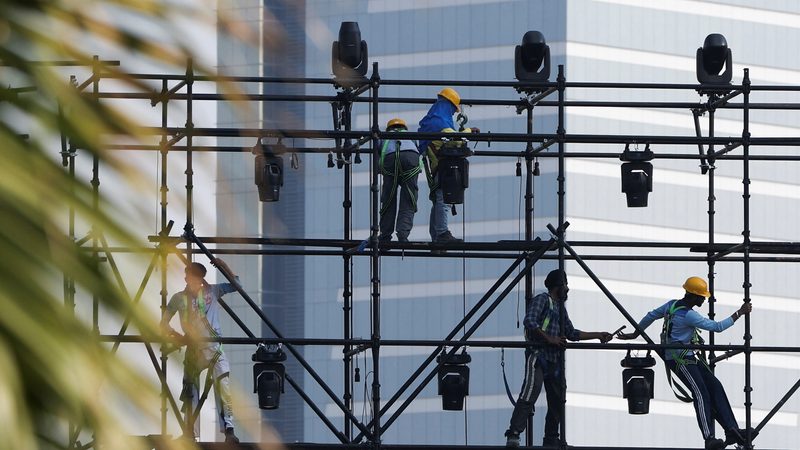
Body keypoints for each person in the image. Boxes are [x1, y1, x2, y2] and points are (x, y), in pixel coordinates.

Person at [617, 276, 754, 450]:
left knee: (716, 386)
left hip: (686, 357)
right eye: (702, 296)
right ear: (693, 296)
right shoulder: (689, 315)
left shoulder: (671, 305)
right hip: (680, 359)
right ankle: (709, 437)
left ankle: (732, 430)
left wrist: (636, 334)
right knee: (700, 392)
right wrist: (739, 313)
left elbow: (650, 316)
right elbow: (717, 327)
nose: (704, 299)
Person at [504, 269, 613, 448]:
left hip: (554, 361)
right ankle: (514, 434)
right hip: (538, 356)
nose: (567, 289)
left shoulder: (560, 308)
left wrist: (598, 335)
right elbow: (530, 321)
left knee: (557, 399)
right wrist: (550, 338)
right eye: (565, 285)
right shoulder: (542, 300)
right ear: (558, 286)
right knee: (530, 392)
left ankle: (551, 439)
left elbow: (571, 333)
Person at [161, 259, 240, 443]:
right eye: (189, 276)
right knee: (190, 391)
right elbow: (163, 324)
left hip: (214, 349)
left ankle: (229, 430)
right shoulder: (178, 298)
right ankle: (190, 432)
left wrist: (224, 265)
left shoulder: (212, 290)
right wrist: (177, 336)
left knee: (223, 386)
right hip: (194, 350)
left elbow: (238, 285)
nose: (189, 279)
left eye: (193, 276)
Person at [418, 87, 478, 243]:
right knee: (443, 198)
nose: (453, 113)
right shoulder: (439, 122)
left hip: (437, 165)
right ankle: (442, 233)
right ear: (448, 105)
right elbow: (454, 140)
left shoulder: (431, 120)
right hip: (442, 166)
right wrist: (470, 131)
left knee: (437, 199)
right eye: (453, 109)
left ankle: (437, 236)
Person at [378, 118, 421, 243]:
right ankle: (403, 235)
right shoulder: (409, 136)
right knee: (409, 198)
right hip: (410, 157)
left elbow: (377, 149)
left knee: (388, 199)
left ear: (388, 128)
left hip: (390, 159)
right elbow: (419, 149)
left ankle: (385, 236)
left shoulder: (385, 136)